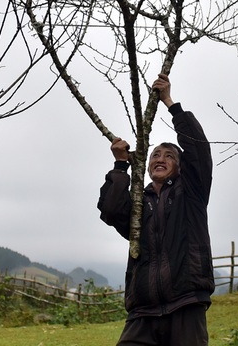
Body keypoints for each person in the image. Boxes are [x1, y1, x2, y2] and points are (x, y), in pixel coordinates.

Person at [97, 73, 214, 346]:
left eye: (169, 155)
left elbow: (198, 149)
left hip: (186, 303)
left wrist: (171, 104)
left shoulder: (192, 192)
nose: (160, 158)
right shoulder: (140, 201)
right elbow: (111, 211)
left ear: (180, 166)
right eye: (155, 156)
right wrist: (120, 166)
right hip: (142, 311)